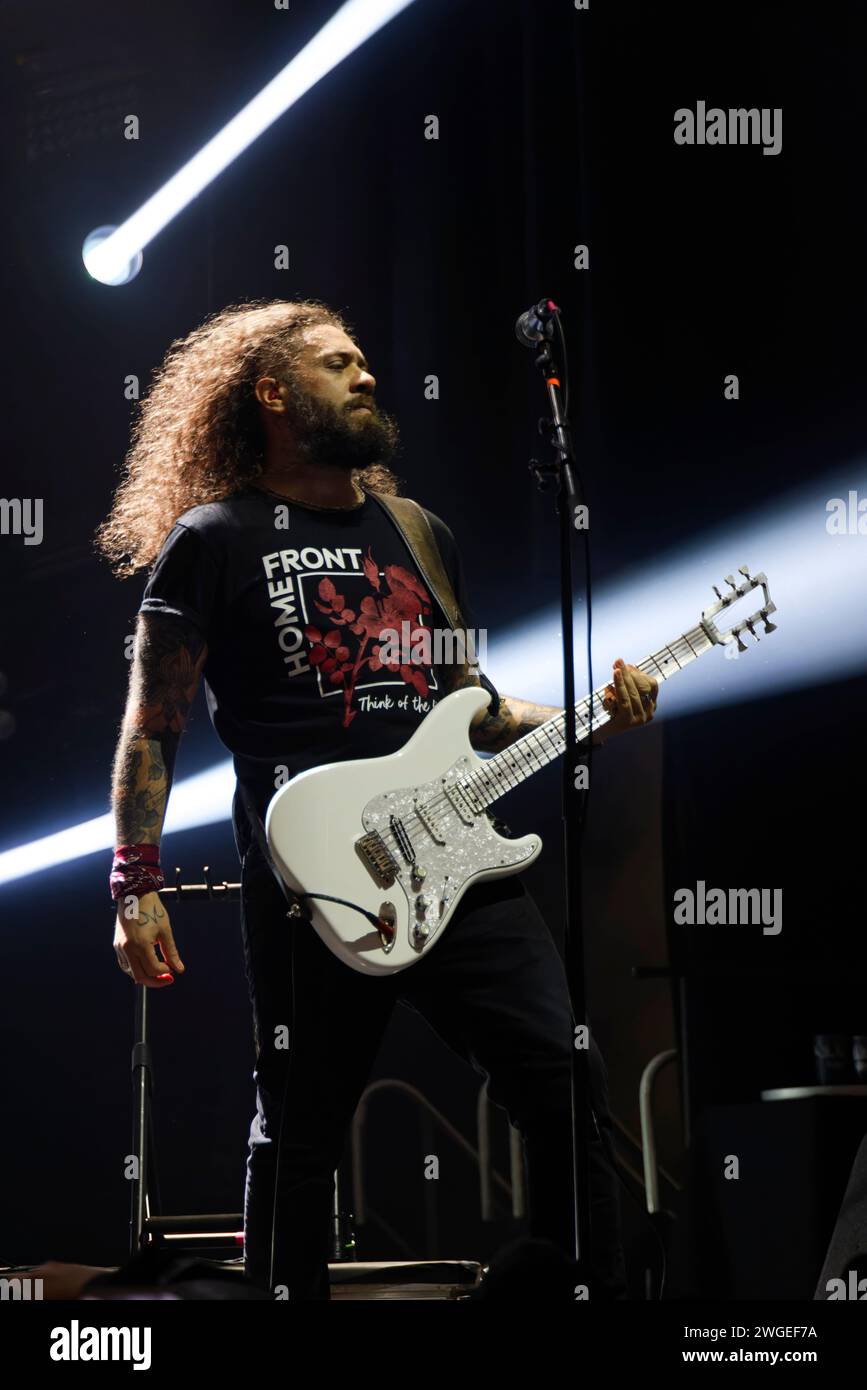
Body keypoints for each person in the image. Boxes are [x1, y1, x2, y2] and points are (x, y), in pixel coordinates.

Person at [98, 298, 658, 1300]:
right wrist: (134, 877)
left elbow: (471, 710)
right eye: (335, 363)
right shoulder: (213, 538)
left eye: (364, 362)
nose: (366, 376)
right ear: (271, 392)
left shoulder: (417, 532)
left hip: (455, 854)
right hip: (314, 866)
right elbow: (153, 724)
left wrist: (591, 717)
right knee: (301, 1130)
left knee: (565, 1084)